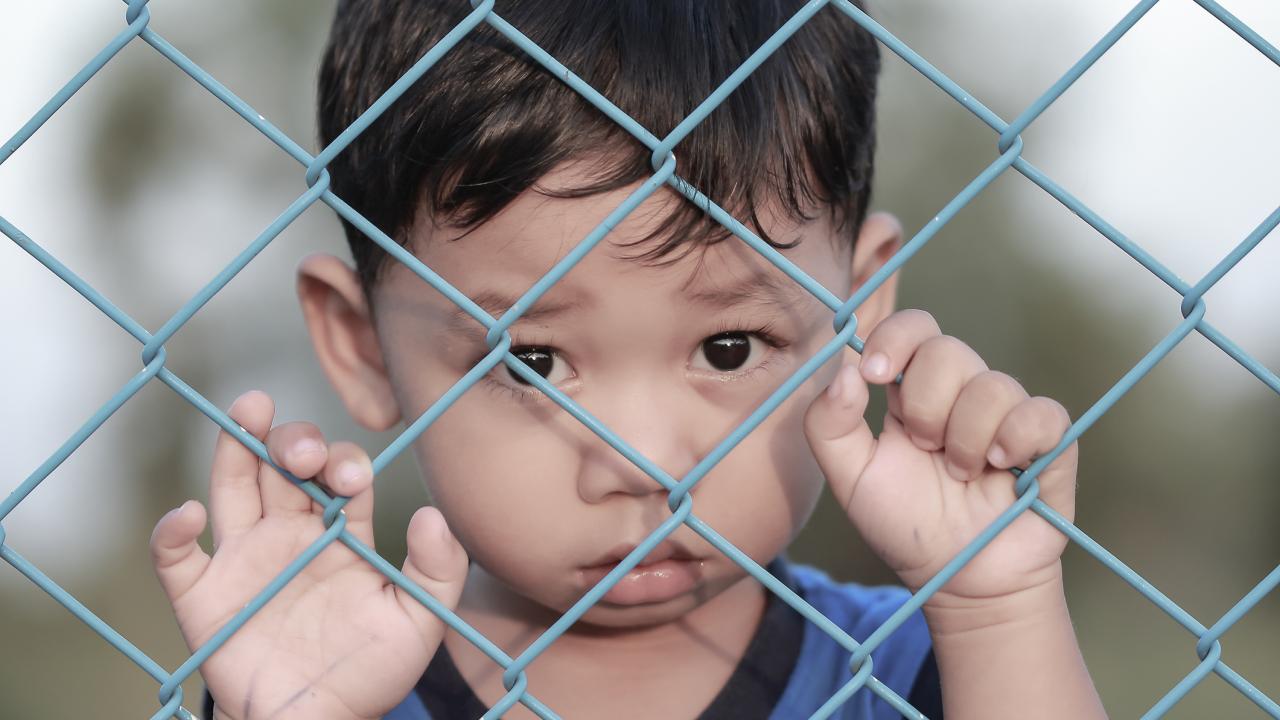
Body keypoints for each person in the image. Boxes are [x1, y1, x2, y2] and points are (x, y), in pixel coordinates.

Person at [147, 1, 1107, 718]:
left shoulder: (912, 672)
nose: (644, 460)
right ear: (364, 347)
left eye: (729, 347)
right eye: (531, 360)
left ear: (858, 308)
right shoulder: (342, 683)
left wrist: (998, 610)